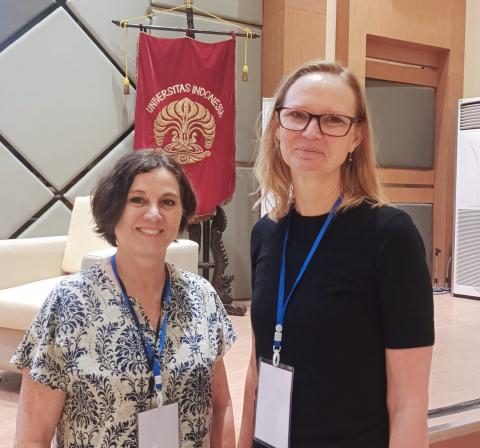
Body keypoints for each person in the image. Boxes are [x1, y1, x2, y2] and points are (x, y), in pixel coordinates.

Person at [238, 60, 434, 448]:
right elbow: (258, 367)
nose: (311, 132)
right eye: (297, 115)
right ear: (277, 127)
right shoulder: (266, 233)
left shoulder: (390, 236)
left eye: (332, 120)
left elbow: (409, 401)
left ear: (356, 136)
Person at [12, 150, 237, 448]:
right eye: (138, 200)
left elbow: (221, 406)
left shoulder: (202, 296)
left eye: (168, 202)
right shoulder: (69, 304)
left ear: (183, 214)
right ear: (112, 209)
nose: (154, 214)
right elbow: (34, 436)